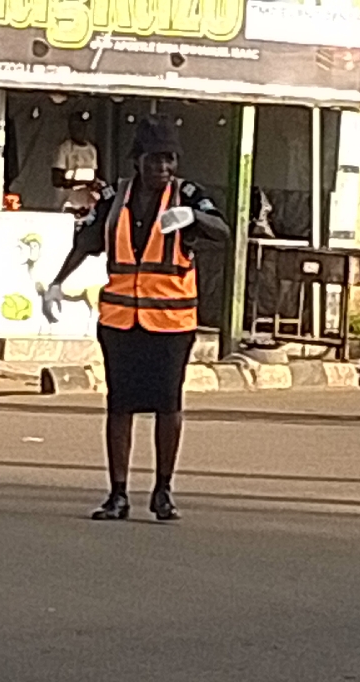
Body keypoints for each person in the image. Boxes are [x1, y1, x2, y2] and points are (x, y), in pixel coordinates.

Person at [45, 114, 230, 521]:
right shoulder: (115, 197)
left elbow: (223, 230)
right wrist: (57, 282)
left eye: (169, 159)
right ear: (138, 160)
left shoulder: (187, 195)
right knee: (120, 406)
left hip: (171, 325)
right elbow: (88, 241)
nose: (163, 167)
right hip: (119, 322)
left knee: (168, 406)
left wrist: (193, 218)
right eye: (154, 159)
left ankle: (163, 491)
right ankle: (118, 494)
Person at [51, 110, 99, 215]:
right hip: (68, 204)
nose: (79, 129)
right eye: (75, 126)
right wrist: (77, 184)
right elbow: (57, 180)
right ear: (70, 128)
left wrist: (94, 186)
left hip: (87, 206)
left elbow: (94, 177)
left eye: (81, 126)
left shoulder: (91, 149)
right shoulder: (65, 148)